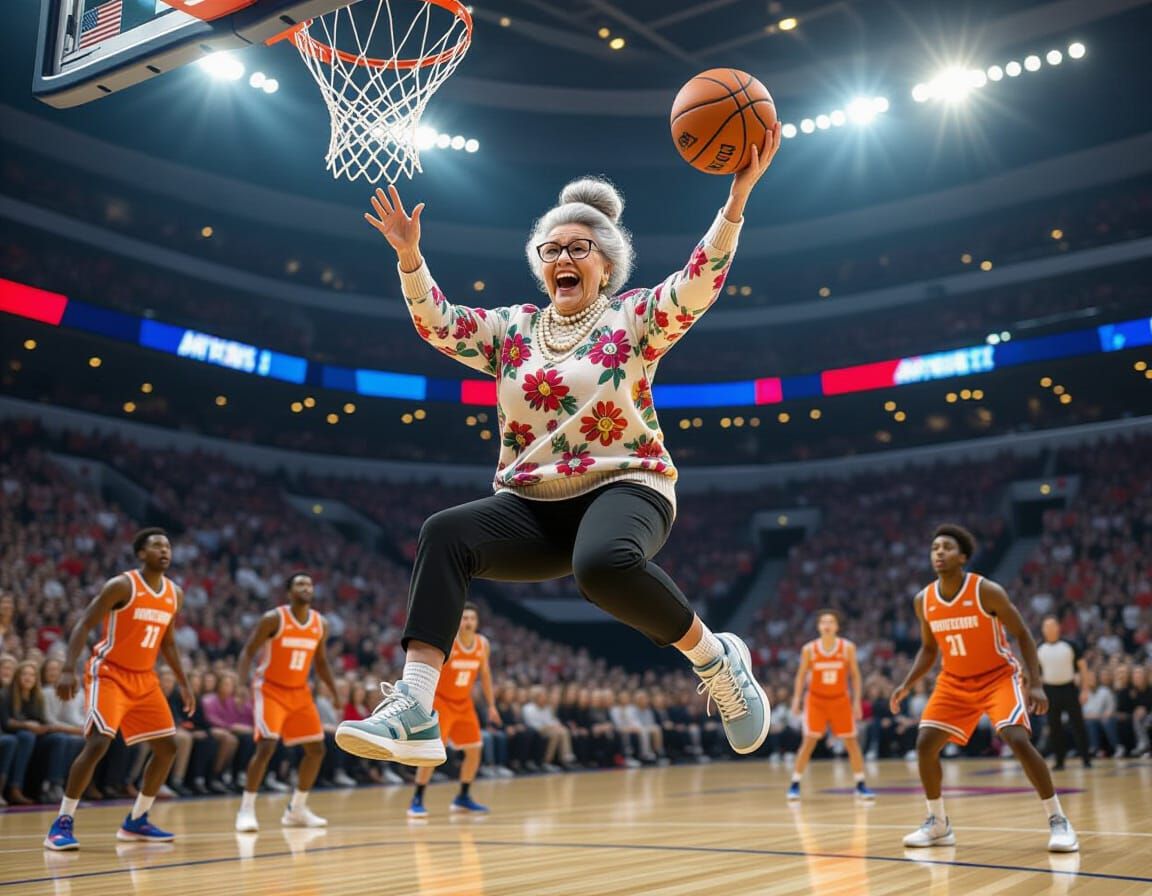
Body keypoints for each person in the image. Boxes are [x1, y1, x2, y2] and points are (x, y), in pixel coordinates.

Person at [336, 125, 783, 768]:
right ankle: (413, 706)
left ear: (606, 264)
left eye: (579, 247)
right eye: (551, 249)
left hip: (628, 485)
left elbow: (698, 281)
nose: (563, 257)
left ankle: (717, 660)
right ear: (540, 264)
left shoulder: (633, 318)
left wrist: (735, 201)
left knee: (600, 566)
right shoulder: (510, 329)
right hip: (532, 505)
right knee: (444, 533)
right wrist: (411, 257)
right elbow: (436, 323)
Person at [890, 524, 1078, 853]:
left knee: (1016, 738)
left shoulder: (986, 591)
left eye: (947, 547)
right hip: (954, 681)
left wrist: (1036, 683)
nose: (939, 553)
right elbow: (929, 649)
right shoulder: (924, 600)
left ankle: (1058, 820)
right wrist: (907, 684)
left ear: (962, 556)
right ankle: (938, 824)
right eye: (935, 548)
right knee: (924, 744)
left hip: (997, 677)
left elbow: (1022, 634)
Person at [44, 528, 194, 851]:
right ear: (141, 553)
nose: (164, 550)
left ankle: (137, 820)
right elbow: (84, 623)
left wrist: (183, 683)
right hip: (108, 673)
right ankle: (62, 822)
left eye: (168, 546)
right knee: (99, 742)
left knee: (168, 748)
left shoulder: (174, 594)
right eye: (156, 545)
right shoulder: (122, 585)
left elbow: (167, 642)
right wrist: (69, 667)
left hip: (145, 678)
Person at [235, 572, 339, 832]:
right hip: (270, 689)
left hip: (300, 691)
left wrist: (334, 689)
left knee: (316, 750)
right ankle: (246, 808)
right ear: (289, 593)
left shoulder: (320, 623)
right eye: (300, 584)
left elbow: (321, 662)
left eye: (309, 584)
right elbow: (248, 651)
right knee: (267, 746)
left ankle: (297, 809)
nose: (306, 587)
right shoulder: (273, 618)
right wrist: (240, 683)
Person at [408, 602, 499, 819]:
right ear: (458, 621)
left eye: (471, 619)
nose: (468, 622)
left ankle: (463, 797)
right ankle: (417, 798)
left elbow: (485, 675)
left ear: (477, 622)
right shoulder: (448, 642)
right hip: (442, 702)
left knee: (475, 751)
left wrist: (492, 705)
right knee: (432, 753)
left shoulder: (482, 644)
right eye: (464, 618)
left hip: (464, 703)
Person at [787, 610, 875, 801]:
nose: (827, 625)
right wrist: (796, 699)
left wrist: (857, 701)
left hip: (840, 699)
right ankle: (794, 783)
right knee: (809, 741)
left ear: (837, 626)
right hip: (816, 700)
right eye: (823, 622)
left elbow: (855, 676)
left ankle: (860, 784)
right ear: (819, 626)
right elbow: (801, 676)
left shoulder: (847, 648)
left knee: (851, 741)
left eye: (831, 621)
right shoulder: (809, 649)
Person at [1036, 616, 1091, 770]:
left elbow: (1083, 668)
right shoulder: (1038, 648)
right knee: (1054, 728)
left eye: (1052, 626)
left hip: (1069, 689)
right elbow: (1035, 673)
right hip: (1050, 691)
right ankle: (1060, 761)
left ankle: (1086, 759)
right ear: (1043, 630)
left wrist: (1085, 690)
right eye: (1046, 627)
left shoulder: (1070, 645)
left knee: (1078, 725)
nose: (1050, 629)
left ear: (1058, 628)